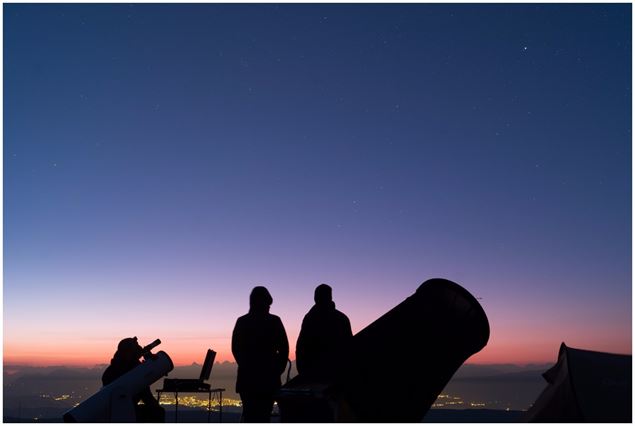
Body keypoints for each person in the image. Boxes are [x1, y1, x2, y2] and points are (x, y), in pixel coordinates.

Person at [232, 286, 289, 422]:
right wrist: (277, 370)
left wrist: (247, 366)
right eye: (267, 304)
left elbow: (236, 349)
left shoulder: (242, 322)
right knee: (263, 416)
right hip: (268, 380)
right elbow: (284, 348)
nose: (269, 308)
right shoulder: (274, 321)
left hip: (248, 380)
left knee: (250, 415)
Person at [296, 284, 353, 381]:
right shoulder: (342, 318)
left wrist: (302, 369)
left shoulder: (309, 318)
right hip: (337, 371)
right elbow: (350, 346)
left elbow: (301, 345)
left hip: (313, 372)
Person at [102, 337, 165, 423]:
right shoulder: (134, 369)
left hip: (114, 412)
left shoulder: (109, 372)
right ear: (128, 352)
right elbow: (146, 397)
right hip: (125, 411)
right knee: (158, 412)